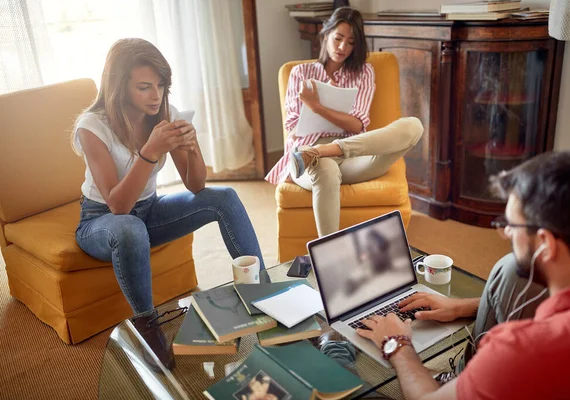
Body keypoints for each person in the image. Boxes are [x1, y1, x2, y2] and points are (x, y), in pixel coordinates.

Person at [71, 38, 266, 369]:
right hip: (100, 221)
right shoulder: (92, 126)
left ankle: (262, 292)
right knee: (130, 228)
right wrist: (150, 150)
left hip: (149, 210)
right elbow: (117, 206)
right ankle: (149, 328)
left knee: (225, 197)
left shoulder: (163, 114)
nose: (156, 95)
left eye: (161, 85)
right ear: (120, 86)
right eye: (145, 87)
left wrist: (192, 147)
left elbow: (196, 185)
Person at [356, 150, 570, 399]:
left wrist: (397, 343)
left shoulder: (521, 350)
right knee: (509, 269)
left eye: (512, 225)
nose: (504, 233)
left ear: (546, 244)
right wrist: (464, 306)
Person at [265, 7, 424, 237]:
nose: (342, 48)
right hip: (309, 156)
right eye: (338, 38)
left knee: (413, 126)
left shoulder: (364, 73)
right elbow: (292, 127)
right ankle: (330, 255)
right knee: (325, 169)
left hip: (354, 155)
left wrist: (317, 106)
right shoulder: (300, 73)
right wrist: (321, 133)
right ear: (326, 34)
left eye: (350, 42)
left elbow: (357, 125)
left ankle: (324, 150)